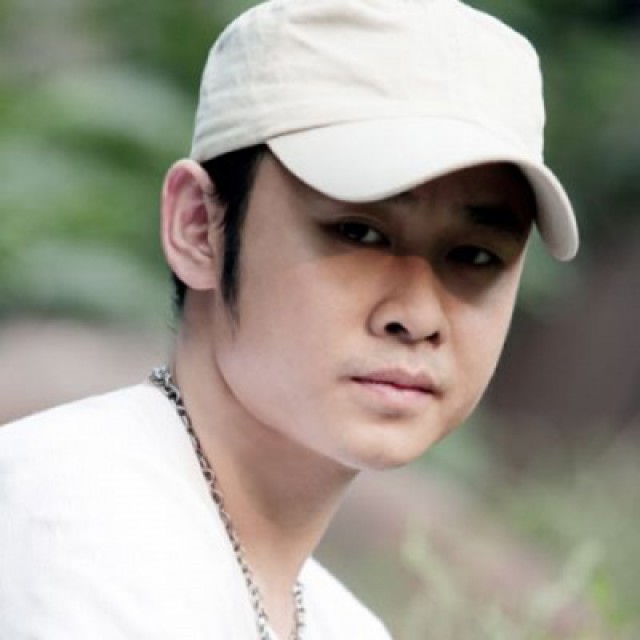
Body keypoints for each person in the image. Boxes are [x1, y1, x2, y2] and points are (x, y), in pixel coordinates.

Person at [0, 0, 579, 638]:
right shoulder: (79, 522)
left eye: (474, 255)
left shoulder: (342, 624)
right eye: (359, 232)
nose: (417, 316)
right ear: (198, 225)